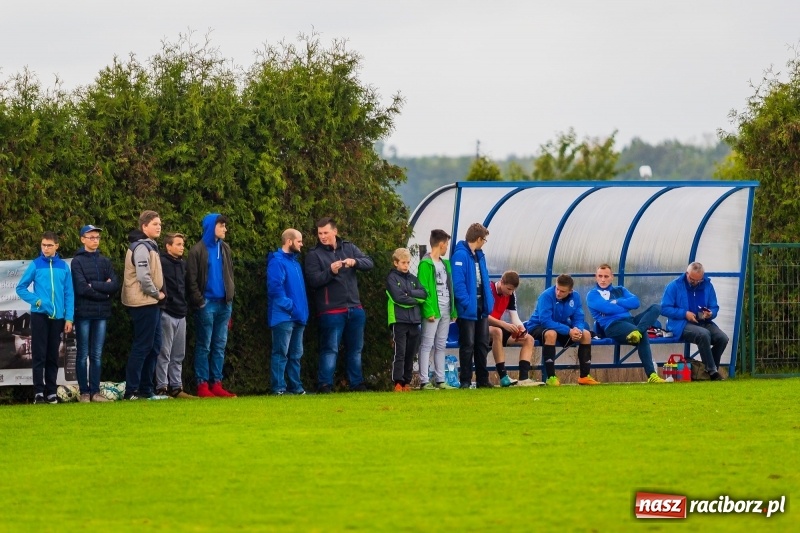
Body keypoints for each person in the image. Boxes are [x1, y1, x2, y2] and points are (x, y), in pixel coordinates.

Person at [304, 216, 374, 393]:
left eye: (326, 232)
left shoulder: (349, 247)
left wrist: (354, 262)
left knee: (355, 349)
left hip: (355, 308)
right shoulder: (314, 254)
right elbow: (313, 280)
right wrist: (331, 271)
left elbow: (369, 262)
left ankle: (357, 383)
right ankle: (325, 385)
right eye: (320, 233)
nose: (322, 236)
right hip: (331, 311)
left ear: (335, 231)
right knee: (330, 349)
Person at [16, 231, 74, 404]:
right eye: (43, 245)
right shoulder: (35, 264)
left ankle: (51, 392)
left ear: (57, 246)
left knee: (53, 355)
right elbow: (21, 288)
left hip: (58, 318)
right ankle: (38, 393)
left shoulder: (64, 267)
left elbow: (69, 294)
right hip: (40, 315)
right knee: (39, 355)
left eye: (49, 245)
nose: (46, 248)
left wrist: (69, 318)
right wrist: (38, 301)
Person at [586, 264, 665, 384]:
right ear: (596, 277)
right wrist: (624, 306)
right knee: (642, 335)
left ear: (612, 277)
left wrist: (617, 301)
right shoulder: (592, 295)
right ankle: (652, 375)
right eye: (600, 276)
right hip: (613, 325)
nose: (603, 279)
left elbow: (635, 303)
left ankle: (638, 331)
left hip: (630, 321)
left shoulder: (621, 290)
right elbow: (607, 309)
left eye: (606, 276)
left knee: (656, 307)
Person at [187, 213, 237, 398]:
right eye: (221, 225)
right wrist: (199, 301)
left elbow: (230, 274)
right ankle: (202, 385)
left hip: (224, 305)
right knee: (204, 345)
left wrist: (229, 299)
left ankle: (216, 383)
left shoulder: (225, 248)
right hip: (206, 305)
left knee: (219, 345)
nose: (225, 229)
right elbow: (191, 280)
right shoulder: (197, 251)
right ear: (211, 226)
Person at [121, 211, 168, 401]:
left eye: (159, 223)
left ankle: (146, 390)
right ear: (144, 227)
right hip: (143, 302)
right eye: (155, 223)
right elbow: (143, 277)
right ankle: (132, 391)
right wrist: (157, 294)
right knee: (143, 345)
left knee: (154, 346)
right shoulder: (141, 247)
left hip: (151, 303)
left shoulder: (151, 246)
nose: (158, 227)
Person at [70, 224, 120, 402]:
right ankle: (84, 392)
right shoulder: (77, 261)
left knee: (97, 354)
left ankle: (95, 392)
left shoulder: (105, 261)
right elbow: (81, 288)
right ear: (82, 239)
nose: (95, 240)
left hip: (101, 314)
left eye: (97, 237)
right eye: (91, 237)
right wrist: (103, 292)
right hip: (84, 313)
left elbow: (114, 285)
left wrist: (96, 286)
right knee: (83, 353)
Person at [523, 274, 595, 386]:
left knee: (585, 334)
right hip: (537, 326)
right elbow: (545, 321)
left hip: (561, 327)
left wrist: (578, 329)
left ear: (570, 291)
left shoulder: (575, 297)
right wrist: (568, 330)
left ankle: (584, 377)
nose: (558, 293)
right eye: (557, 289)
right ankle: (551, 378)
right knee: (551, 334)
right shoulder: (546, 296)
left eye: (562, 291)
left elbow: (579, 317)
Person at [661, 262, 728, 381]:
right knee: (703, 334)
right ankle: (712, 372)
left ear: (702, 277)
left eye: (699, 280)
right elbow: (664, 308)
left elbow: (714, 306)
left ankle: (707, 370)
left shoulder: (708, 285)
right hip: (680, 323)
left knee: (722, 338)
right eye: (692, 279)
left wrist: (710, 313)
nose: (695, 282)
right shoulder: (674, 286)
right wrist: (684, 314)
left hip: (703, 321)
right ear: (687, 274)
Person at [451, 222, 494, 389]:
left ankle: (483, 379)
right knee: (467, 345)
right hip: (468, 309)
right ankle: (466, 380)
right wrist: (467, 303)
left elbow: (485, 279)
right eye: (484, 239)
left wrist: (488, 301)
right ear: (478, 238)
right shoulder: (460, 256)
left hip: (481, 307)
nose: (484, 243)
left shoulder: (480, 256)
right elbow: (458, 284)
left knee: (482, 344)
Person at [266, 228, 309, 396]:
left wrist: (302, 311)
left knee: (296, 354)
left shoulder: (295, 264)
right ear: (289, 241)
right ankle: (279, 388)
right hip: (283, 316)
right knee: (281, 353)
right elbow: (275, 289)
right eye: (299, 241)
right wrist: (290, 306)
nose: (301, 244)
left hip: (298, 316)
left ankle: (296, 387)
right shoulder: (277, 261)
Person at [156, 232, 196, 399]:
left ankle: (176, 387)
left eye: (182, 244)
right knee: (164, 352)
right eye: (178, 244)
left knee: (178, 354)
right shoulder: (161, 262)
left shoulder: (183, 264)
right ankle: (161, 387)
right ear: (168, 246)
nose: (182, 247)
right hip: (167, 312)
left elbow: (185, 287)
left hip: (181, 313)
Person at [417, 229, 458, 390]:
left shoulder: (445, 264)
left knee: (441, 344)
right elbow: (423, 289)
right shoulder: (425, 264)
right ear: (440, 244)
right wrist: (429, 310)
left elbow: (450, 287)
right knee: (427, 344)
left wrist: (453, 310)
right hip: (433, 310)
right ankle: (424, 380)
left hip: (446, 308)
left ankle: (440, 379)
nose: (447, 247)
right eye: (446, 244)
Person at [386, 248, 427, 392]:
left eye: (408, 263)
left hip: (414, 320)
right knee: (400, 352)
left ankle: (406, 382)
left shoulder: (413, 278)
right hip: (399, 320)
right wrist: (415, 300)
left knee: (411, 353)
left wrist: (409, 293)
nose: (406, 266)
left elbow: (424, 294)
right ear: (395, 263)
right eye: (403, 262)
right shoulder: (391, 278)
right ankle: (398, 382)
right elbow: (398, 298)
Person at [488, 271, 538, 387]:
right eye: (508, 289)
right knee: (497, 331)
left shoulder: (511, 295)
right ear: (501, 282)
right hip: (482, 327)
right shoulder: (489, 290)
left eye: (512, 290)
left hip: (499, 327)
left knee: (528, 339)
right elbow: (483, 316)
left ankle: (524, 378)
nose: (510, 292)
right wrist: (503, 324)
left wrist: (520, 328)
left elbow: (514, 316)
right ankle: (503, 376)